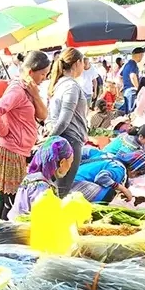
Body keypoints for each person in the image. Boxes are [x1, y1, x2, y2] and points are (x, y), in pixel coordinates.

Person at [0, 50, 50, 218]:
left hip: (18, 150)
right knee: (12, 200)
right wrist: (4, 131)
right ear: (30, 72)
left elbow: (43, 116)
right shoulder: (17, 91)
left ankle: (3, 235)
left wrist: (36, 95)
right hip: (10, 150)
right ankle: (5, 235)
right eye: (43, 74)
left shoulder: (29, 90)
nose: (44, 78)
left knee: (10, 198)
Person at [45, 48, 89, 198]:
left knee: (56, 187)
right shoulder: (71, 86)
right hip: (69, 142)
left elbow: (51, 116)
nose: (84, 66)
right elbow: (64, 120)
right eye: (83, 62)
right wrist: (49, 138)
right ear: (77, 63)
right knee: (62, 189)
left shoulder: (58, 84)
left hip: (61, 140)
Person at [7, 136, 75, 220]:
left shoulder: (33, 177)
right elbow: (43, 219)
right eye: (70, 162)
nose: (70, 167)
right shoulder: (42, 187)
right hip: (23, 229)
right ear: (62, 162)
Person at [71, 150, 145, 203]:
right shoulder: (120, 170)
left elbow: (86, 151)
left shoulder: (108, 155)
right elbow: (101, 177)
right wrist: (123, 189)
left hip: (68, 179)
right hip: (74, 186)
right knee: (109, 192)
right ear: (135, 171)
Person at [121, 48, 144, 113]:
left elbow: (120, 76)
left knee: (127, 111)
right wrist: (138, 89)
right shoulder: (133, 64)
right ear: (139, 55)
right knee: (132, 112)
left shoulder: (127, 64)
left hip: (127, 90)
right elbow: (133, 76)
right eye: (142, 56)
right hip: (132, 91)